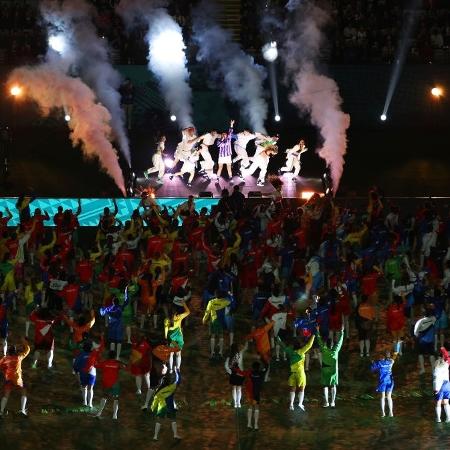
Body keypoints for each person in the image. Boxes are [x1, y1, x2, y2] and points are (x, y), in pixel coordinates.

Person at [278, 334, 315, 410]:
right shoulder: (301, 352)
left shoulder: (290, 351)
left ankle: (291, 404)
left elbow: (282, 345)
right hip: (300, 374)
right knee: (302, 388)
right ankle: (300, 404)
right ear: (299, 346)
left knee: (292, 389)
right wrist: (313, 335)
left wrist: (277, 337)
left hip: (292, 373)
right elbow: (309, 344)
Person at [0, 337, 30, 416]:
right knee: (24, 391)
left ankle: (1, 411)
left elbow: (1, 367)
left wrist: (4, 372)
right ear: (15, 351)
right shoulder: (18, 358)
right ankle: (23, 410)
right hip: (17, 379)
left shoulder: (4, 359)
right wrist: (24, 342)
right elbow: (27, 350)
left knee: (6, 394)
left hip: (8, 379)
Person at [316, 325, 344, 407]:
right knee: (333, 385)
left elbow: (319, 340)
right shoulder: (335, 351)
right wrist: (342, 332)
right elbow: (340, 342)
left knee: (325, 385)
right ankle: (333, 402)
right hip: (333, 371)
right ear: (332, 345)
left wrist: (317, 331)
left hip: (325, 369)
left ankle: (326, 402)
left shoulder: (324, 349)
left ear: (326, 344)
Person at [99, 286, 130, 360]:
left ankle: (111, 357)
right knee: (119, 342)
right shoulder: (120, 307)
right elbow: (127, 301)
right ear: (118, 302)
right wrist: (126, 292)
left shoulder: (109, 308)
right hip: (119, 327)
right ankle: (118, 357)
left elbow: (101, 313)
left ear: (113, 302)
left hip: (112, 327)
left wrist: (102, 307)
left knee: (112, 342)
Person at [151, 364, 181, 441]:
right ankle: (175, 434)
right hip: (170, 406)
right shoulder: (173, 387)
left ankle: (155, 436)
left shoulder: (160, 387)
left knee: (159, 420)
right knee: (173, 420)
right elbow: (178, 380)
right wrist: (177, 371)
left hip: (162, 406)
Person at [236, 360, 268, 430]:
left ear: (252, 367)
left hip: (250, 393)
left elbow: (240, 373)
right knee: (256, 407)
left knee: (250, 407)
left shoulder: (249, 372)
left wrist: (235, 367)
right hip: (257, 393)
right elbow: (266, 367)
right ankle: (256, 425)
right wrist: (263, 359)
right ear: (259, 367)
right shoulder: (261, 373)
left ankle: (249, 424)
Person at [95, 350, 127, 420]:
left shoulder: (104, 363)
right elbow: (125, 367)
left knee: (104, 397)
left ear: (108, 356)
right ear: (115, 356)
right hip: (115, 383)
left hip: (106, 383)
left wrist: (98, 357)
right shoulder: (117, 363)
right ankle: (115, 415)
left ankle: (99, 413)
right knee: (116, 398)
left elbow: (96, 365)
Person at [370, 346, 399, 417]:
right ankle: (391, 413)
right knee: (389, 397)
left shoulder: (380, 363)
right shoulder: (391, 362)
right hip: (390, 381)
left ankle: (383, 413)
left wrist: (373, 362)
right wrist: (396, 352)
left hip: (382, 381)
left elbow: (372, 369)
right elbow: (394, 357)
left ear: (383, 355)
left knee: (382, 397)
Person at [164, 301, 190, 372]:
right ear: (176, 312)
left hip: (171, 338)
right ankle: (178, 369)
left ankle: (171, 369)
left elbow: (166, 332)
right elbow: (188, 312)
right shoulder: (179, 317)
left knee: (171, 354)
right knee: (178, 354)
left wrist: (166, 339)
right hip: (179, 338)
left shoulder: (166, 320)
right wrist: (184, 304)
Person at [414, 307, 437, 375]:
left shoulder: (420, 321)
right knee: (431, 354)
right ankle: (433, 370)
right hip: (431, 340)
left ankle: (422, 369)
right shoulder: (433, 319)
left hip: (422, 341)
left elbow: (415, 332)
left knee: (420, 354)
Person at [224, 342, 248, 408]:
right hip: (239, 372)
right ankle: (238, 403)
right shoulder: (239, 354)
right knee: (239, 388)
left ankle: (235, 403)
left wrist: (230, 372)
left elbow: (226, 365)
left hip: (234, 373)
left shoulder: (230, 356)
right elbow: (245, 348)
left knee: (234, 388)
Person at [434, 347, 450, 423]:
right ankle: (448, 418)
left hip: (439, 385)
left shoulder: (436, 366)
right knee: (446, 402)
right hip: (447, 384)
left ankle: (438, 419)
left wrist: (436, 389)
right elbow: (447, 356)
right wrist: (443, 349)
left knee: (438, 402)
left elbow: (436, 378)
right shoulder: (446, 364)